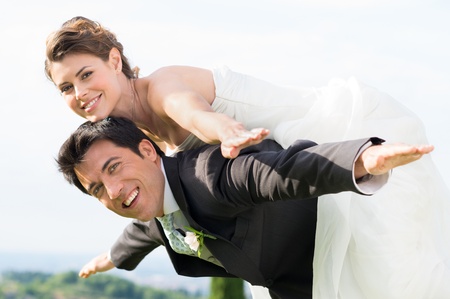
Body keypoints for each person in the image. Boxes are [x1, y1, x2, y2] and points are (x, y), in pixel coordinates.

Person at [46, 17, 450, 298]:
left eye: (85, 74)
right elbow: (165, 203)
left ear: (115, 60)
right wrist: (113, 256)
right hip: (265, 193)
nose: (79, 93)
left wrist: (226, 132)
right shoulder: (134, 138)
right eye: (66, 87)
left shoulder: (162, 87)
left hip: (314, 136)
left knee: (388, 275)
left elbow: (194, 114)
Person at [57, 116, 433, 299]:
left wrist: (361, 160)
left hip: (337, 256)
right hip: (291, 287)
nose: (115, 191)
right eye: (97, 190)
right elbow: (142, 232)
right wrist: (110, 257)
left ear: (146, 151)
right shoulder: (152, 206)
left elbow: (281, 171)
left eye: (113, 168)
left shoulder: (207, 174)